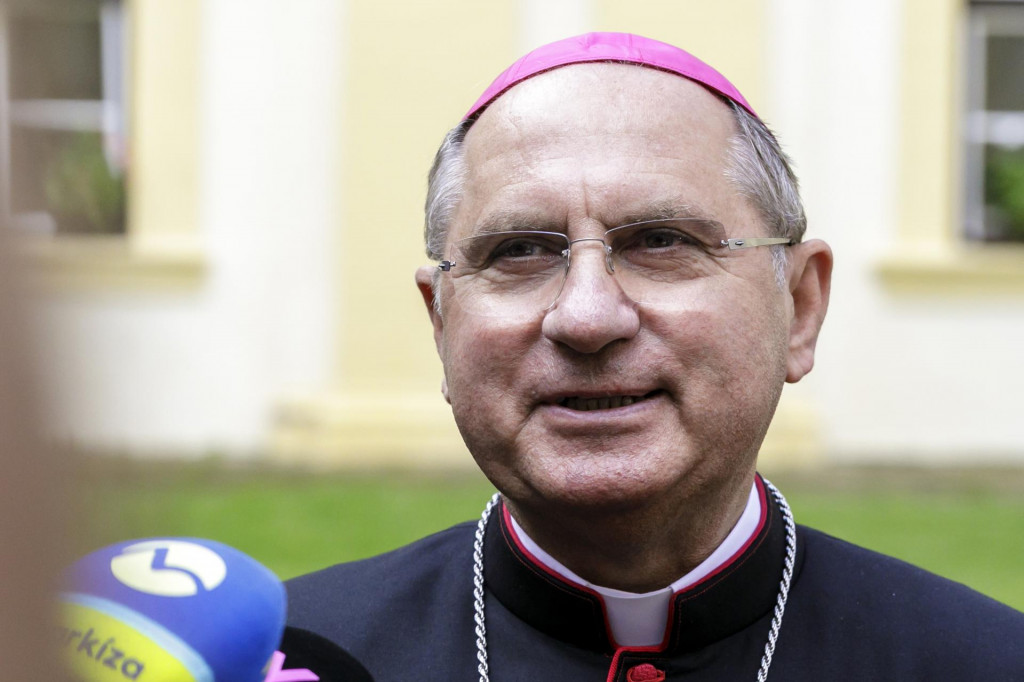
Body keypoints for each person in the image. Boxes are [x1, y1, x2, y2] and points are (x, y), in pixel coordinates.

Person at [287, 33, 1024, 680]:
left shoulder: (987, 661)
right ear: (441, 324)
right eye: (518, 251)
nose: (585, 316)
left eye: (660, 241)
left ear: (799, 309)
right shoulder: (287, 662)